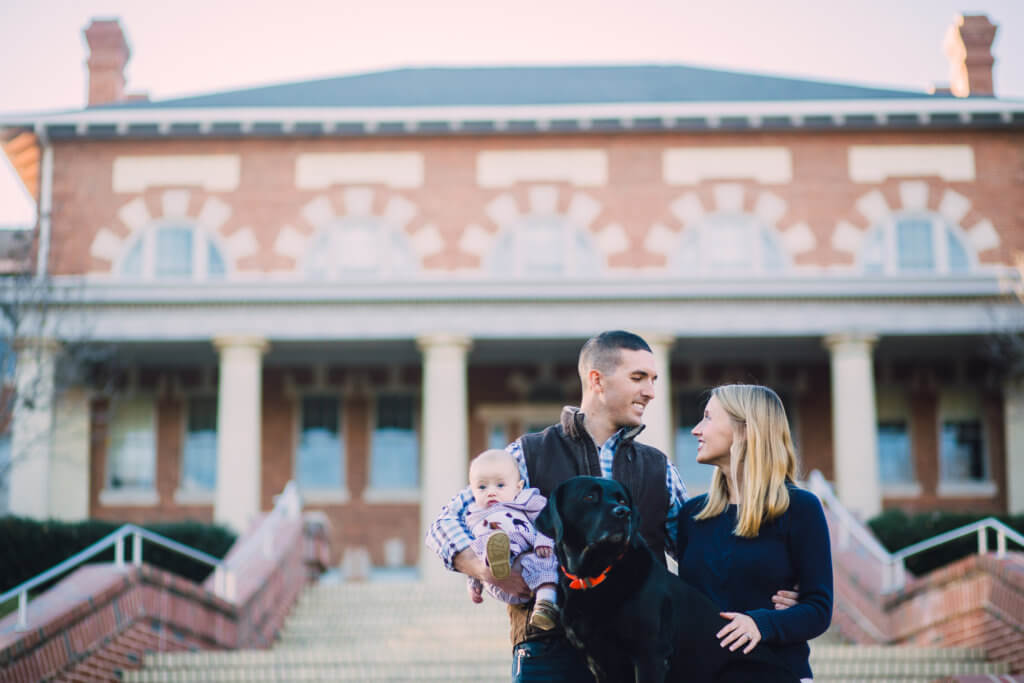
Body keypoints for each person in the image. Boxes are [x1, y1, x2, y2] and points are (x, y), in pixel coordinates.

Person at [426, 331, 799, 682]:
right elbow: (447, 520)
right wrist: (484, 569)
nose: (651, 391)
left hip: (635, 658)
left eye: (654, 379)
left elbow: (704, 556)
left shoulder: (658, 468)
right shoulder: (529, 454)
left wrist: (773, 594)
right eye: (639, 377)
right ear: (597, 380)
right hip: (549, 649)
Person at [677, 384, 833, 682]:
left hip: (776, 672)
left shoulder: (801, 508)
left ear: (745, 429)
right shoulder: (692, 515)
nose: (696, 430)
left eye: (708, 418)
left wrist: (761, 624)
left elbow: (818, 609)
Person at [464, 448, 559, 630]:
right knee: (483, 546)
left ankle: (545, 605)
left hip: (527, 560)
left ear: (518, 487)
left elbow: (546, 522)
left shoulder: (526, 502)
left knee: (545, 560)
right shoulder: (474, 516)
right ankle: (500, 558)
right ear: (472, 490)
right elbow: (472, 554)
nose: (491, 492)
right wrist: (474, 581)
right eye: (482, 487)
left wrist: (543, 542)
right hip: (497, 579)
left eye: (500, 485)